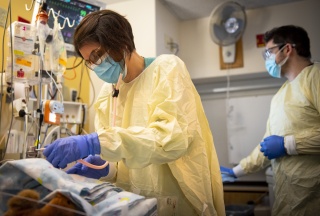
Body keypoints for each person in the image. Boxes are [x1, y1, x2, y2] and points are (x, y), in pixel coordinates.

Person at [42, 9, 225, 216]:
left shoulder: (166, 69)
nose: (96, 65)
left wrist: (95, 142)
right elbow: (121, 159)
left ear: (122, 43)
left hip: (178, 202)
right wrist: (105, 168)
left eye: (98, 55)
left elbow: (171, 139)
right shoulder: (107, 94)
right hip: (132, 205)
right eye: (89, 61)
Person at [221, 25, 320, 215]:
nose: (267, 59)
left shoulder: (315, 77)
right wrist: (238, 171)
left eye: (269, 52)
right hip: (288, 200)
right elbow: (266, 146)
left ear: (287, 49)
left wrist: (288, 144)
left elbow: (282, 144)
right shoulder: (280, 96)